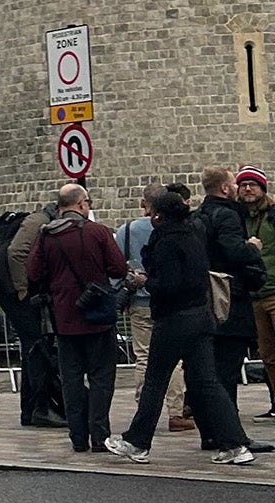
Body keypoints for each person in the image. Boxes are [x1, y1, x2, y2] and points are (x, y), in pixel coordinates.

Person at [108, 185, 257, 466]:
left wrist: (144, 282)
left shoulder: (166, 241)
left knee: (155, 380)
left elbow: (169, 284)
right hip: (200, 316)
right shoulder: (194, 235)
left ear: (159, 215)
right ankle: (235, 444)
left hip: (174, 319)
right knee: (207, 382)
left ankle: (137, 442)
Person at [25, 183, 128, 452]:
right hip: (97, 315)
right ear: (82, 204)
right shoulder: (98, 232)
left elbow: (34, 272)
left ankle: (78, 436)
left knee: (71, 379)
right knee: (101, 378)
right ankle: (100, 435)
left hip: (64, 317)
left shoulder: (46, 236)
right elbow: (118, 267)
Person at [198, 166, 269, 441]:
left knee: (208, 372)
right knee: (227, 371)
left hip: (206, 301)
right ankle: (231, 435)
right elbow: (234, 251)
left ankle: (211, 433)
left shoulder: (200, 215)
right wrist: (252, 247)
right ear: (226, 188)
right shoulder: (226, 214)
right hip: (229, 301)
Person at [115, 198, 189, 432]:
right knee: (174, 360)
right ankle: (176, 413)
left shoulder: (127, 231)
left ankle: (143, 410)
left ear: (143, 203)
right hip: (167, 304)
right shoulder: (178, 231)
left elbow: (117, 268)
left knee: (144, 357)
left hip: (139, 301)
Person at [2, 198, 67, 429]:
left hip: (24, 296)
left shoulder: (44, 221)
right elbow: (16, 252)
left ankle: (31, 410)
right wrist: (24, 289)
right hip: (21, 297)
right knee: (38, 350)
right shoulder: (38, 221)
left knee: (33, 350)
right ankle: (41, 408)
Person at [238, 166, 275, 420]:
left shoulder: (273, 215)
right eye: (243, 185)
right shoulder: (237, 217)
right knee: (268, 356)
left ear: (263, 188)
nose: (248, 189)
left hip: (274, 292)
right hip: (255, 296)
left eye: (253, 184)